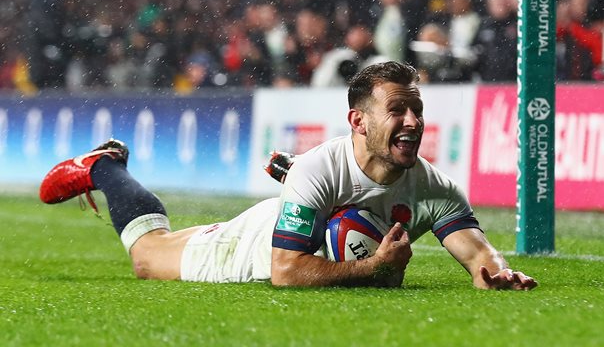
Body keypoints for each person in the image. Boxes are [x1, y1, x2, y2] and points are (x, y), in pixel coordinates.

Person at [39, 61, 537, 290]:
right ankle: (104, 165)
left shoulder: (436, 188)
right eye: (398, 111)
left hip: (303, 208)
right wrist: (374, 269)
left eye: (417, 111)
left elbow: (477, 253)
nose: (413, 122)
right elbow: (285, 272)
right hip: (258, 244)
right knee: (149, 257)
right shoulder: (322, 167)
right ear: (358, 121)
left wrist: (496, 273)